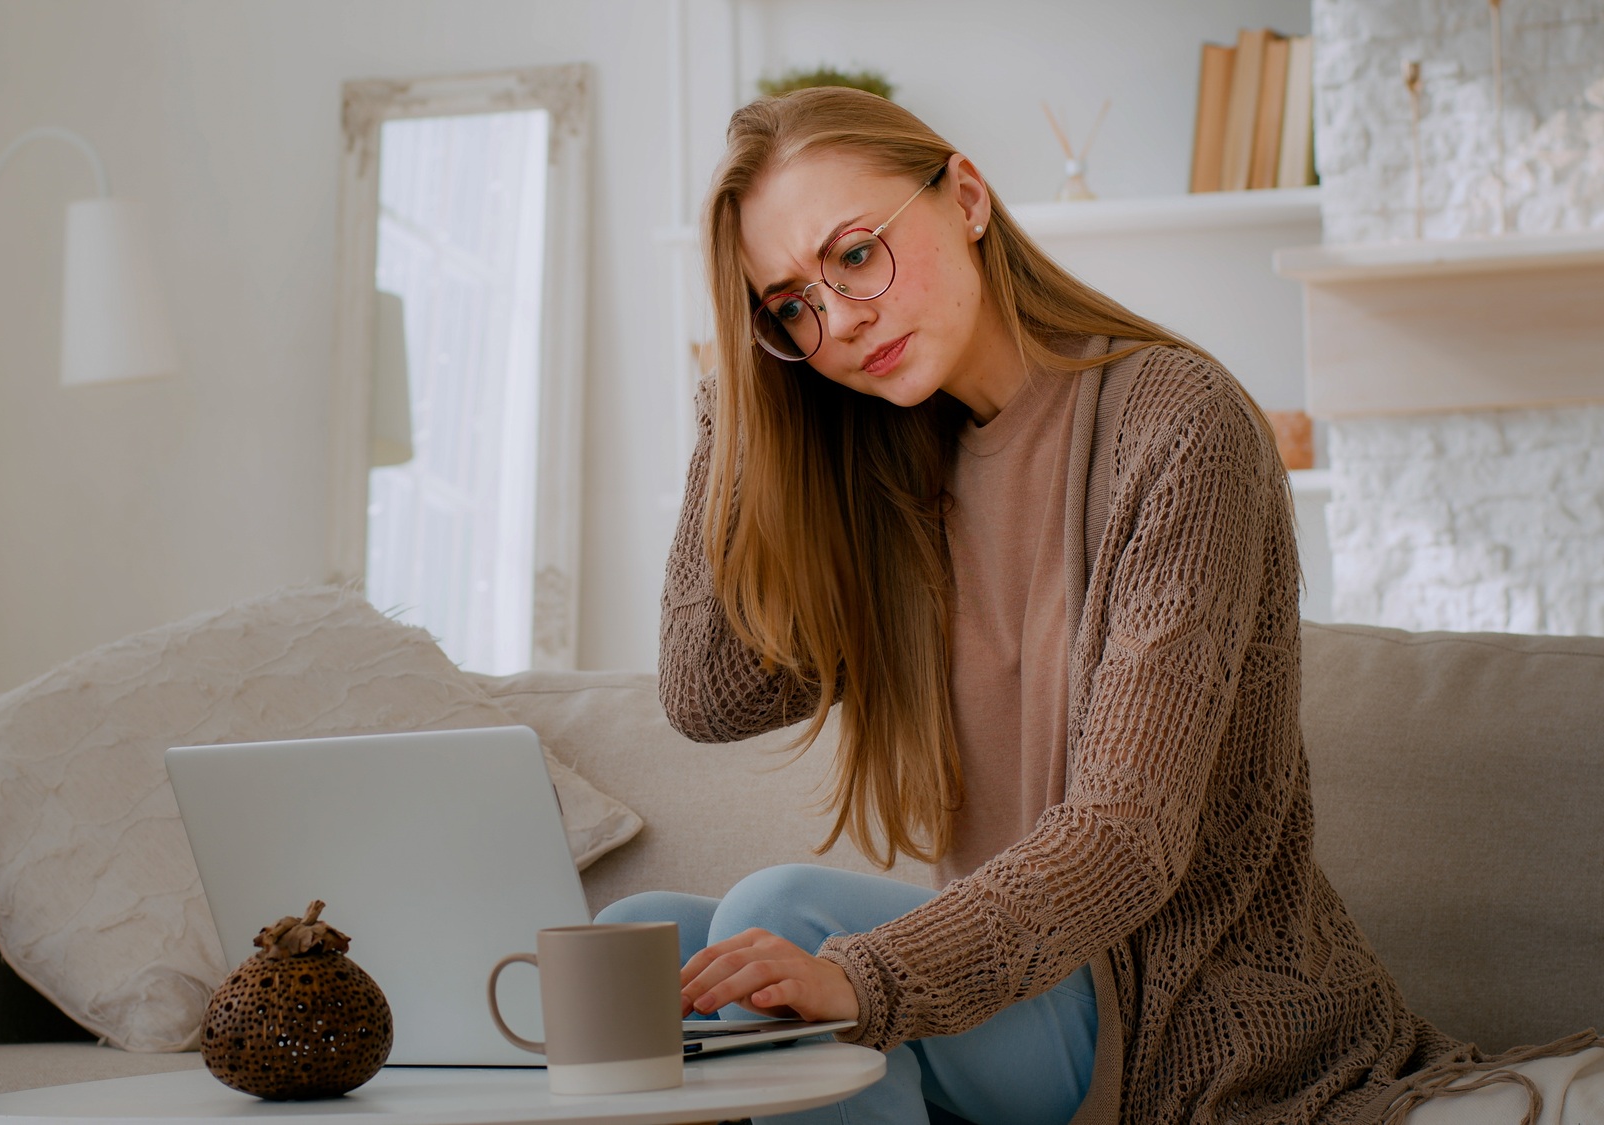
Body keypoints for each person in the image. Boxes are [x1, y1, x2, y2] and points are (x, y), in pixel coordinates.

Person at [594, 86, 1471, 1125]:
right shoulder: (892, 475)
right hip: (1006, 999)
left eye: (853, 255)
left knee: (779, 916)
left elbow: (1127, 835)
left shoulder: (1176, 425)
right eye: (790, 303)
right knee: (637, 941)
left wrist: (867, 980)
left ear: (964, 196)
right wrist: (735, 395)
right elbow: (705, 694)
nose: (837, 319)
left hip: (1164, 1014)